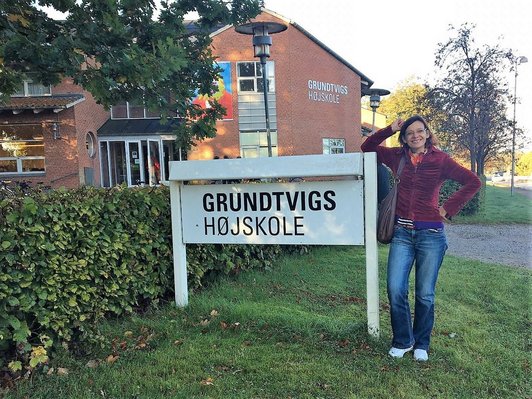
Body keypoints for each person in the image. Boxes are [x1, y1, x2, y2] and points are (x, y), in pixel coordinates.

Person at [361, 115, 481, 362]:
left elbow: (473, 181)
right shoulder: (397, 157)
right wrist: (389, 128)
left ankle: (421, 343)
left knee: (425, 294)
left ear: (427, 133)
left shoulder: (441, 160)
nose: (415, 135)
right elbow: (367, 147)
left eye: (420, 131)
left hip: (431, 235)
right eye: (409, 132)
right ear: (404, 138)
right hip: (402, 234)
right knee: (395, 288)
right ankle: (403, 340)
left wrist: (449, 207)